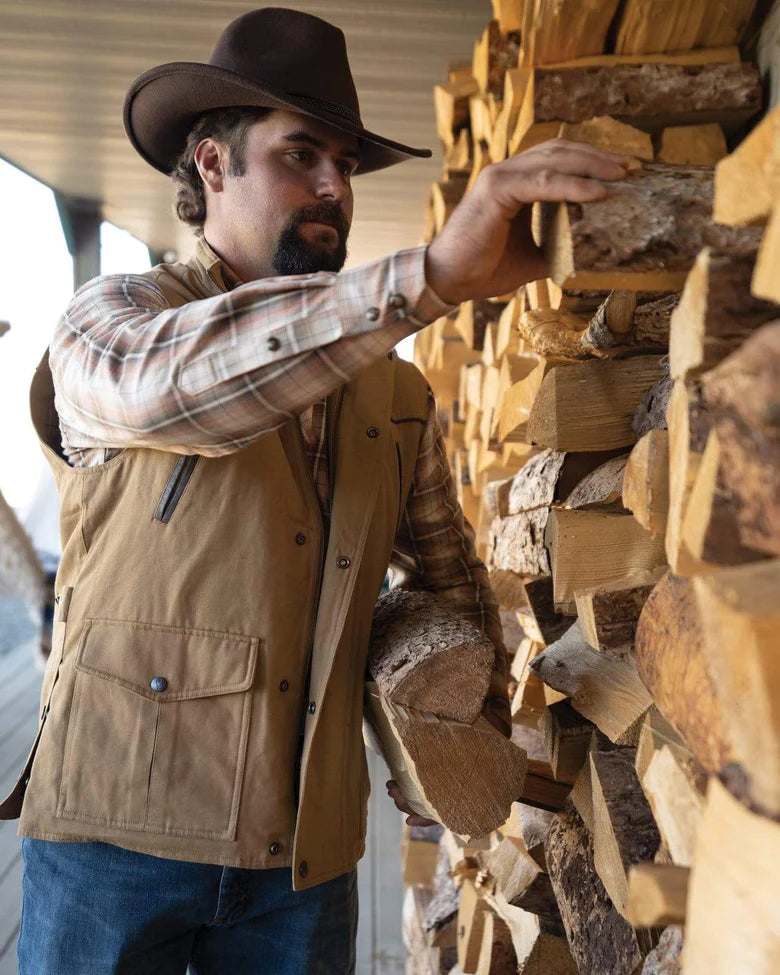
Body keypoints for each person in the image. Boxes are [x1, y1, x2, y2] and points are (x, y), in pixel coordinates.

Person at [1, 8, 629, 973]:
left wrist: (456, 749)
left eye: (346, 163)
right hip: (112, 838)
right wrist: (426, 281)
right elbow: (175, 381)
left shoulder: (396, 388)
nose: (334, 187)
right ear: (211, 167)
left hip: (306, 854)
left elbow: (450, 579)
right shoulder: (111, 320)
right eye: (303, 155)